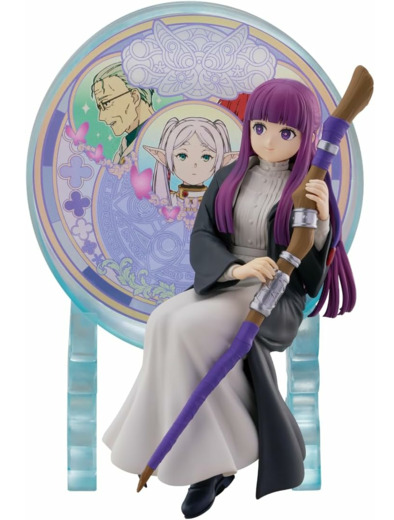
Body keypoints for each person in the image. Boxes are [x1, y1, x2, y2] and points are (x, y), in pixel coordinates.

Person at [103, 78, 355, 518]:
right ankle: (153, 436)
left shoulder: (307, 186)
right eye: (260, 128)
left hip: (274, 291)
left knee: (189, 329)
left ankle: (215, 463)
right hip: (228, 278)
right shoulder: (229, 177)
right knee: (163, 320)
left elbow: (310, 271)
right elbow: (203, 236)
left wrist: (321, 225)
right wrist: (236, 269)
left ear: (306, 136)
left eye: (286, 132)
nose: (269, 141)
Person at [144, 116, 238, 207]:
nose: (194, 165)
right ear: (164, 158)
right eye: (182, 156)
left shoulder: (217, 204)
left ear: (224, 161)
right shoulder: (168, 202)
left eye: (206, 157)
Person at [92, 62, 154, 163]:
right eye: (99, 107)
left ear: (134, 97)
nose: (101, 117)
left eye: (106, 103)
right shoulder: (125, 145)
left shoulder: (167, 139)